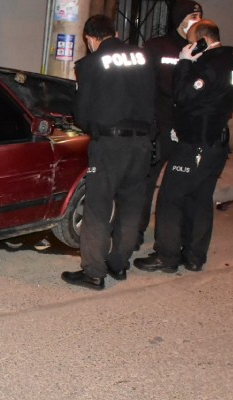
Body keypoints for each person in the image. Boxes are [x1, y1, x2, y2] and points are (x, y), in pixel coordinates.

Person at [134, 20, 233, 273]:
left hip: (196, 145)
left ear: (202, 41)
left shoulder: (209, 66)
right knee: (200, 200)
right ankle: (194, 257)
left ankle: (167, 256)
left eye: (192, 42)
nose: (188, 46)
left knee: (170, 198)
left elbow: (183, 96)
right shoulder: (232, 64)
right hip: (215, 144)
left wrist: (185, 62)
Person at [61, 15, 155, 290]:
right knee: (130, 207)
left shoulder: (91, 64)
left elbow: (83, 113)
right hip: (141, 143)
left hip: (110, 144)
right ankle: (118, 264)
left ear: (90, 39)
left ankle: (93, 272)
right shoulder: (143, 57)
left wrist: (95, 128)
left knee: (98, 209)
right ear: (115, 32)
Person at [138, 0, 203, 248]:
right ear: (180, 18)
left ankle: (173, 245)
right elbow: (145, 86)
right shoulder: (157, 46)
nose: (196, 21)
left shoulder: (202, 50)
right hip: (159, 129)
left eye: (200, 16)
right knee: (145, 184)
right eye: (192, 15)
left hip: (186, 130)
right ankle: (135, 234)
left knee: (178, 190)